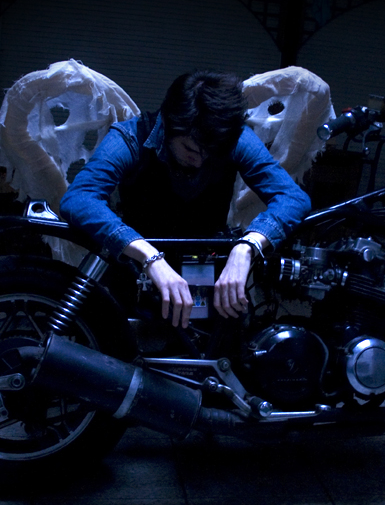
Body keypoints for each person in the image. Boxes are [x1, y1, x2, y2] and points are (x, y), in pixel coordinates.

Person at [59, 70, 311, 329]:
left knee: (204, 340)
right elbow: (80, 198)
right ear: (168, 125)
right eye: (190, 149)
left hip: (203, 267)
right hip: (136, 271)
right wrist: (149, 257)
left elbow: (292, 197)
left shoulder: (232, 138)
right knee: (124, 341)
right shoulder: (132, 136)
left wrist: (247, 246)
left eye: (210, 153)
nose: (200, 161)